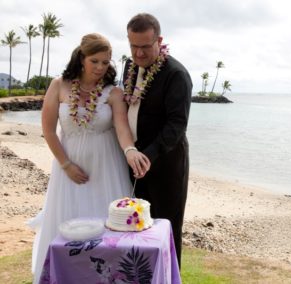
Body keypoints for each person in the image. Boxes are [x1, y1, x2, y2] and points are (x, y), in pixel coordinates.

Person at [30, 33, 144, 283]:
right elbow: (48, 131)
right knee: (67, 228)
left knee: (108, 231)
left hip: (107, 169)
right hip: (68, 170)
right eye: (95, 61)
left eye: (106, 62)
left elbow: (123, 131)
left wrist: (130, 151)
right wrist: (66, 164)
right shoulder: (58, 85)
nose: (101, 67)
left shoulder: (113, 92)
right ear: (82, 58)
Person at [122, 13, 192, 266]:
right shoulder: (129, 67)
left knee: (166, 227)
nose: (138, 54)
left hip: (166, 165)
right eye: (133, 46)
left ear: (159, 40)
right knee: (135, 225)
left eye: (145, 47)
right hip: (134, 161)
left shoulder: (176, 74)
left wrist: (147, 156)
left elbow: (177, 126)